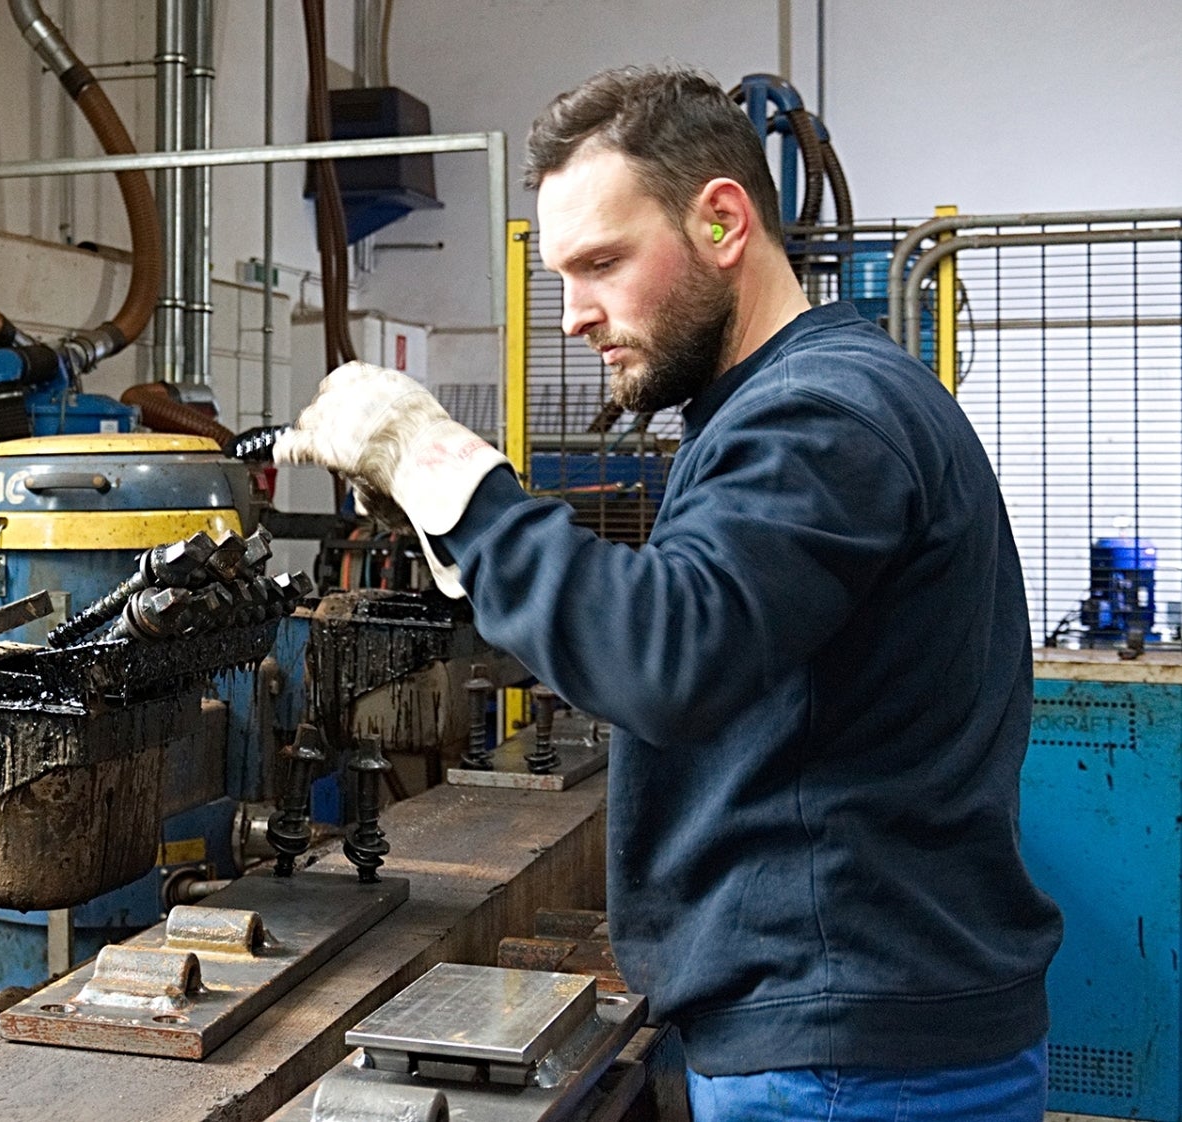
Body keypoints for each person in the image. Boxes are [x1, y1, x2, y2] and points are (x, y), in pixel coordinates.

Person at [276, 66, 1062, 1121]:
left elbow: (662, 652)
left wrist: (439, 465)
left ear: (721, 221)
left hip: (848, 1062)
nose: (573, 317)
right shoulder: (782, 407)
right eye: (561, 275)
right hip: (850, 1031)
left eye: (601, 263)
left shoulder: (820, 417)